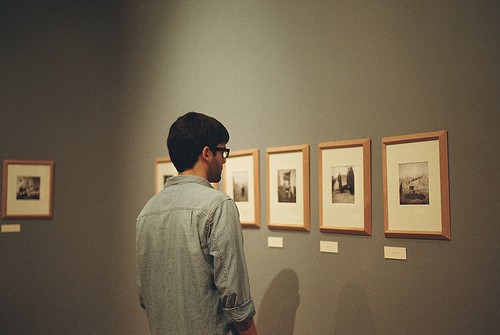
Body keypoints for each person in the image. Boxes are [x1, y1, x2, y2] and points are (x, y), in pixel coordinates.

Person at [136, 112, 258, 335]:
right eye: (222, 151)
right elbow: (235, 298)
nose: (223, 159)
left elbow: (146, 295)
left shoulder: (147, 211)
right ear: (207, 153)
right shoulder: (218, 205)